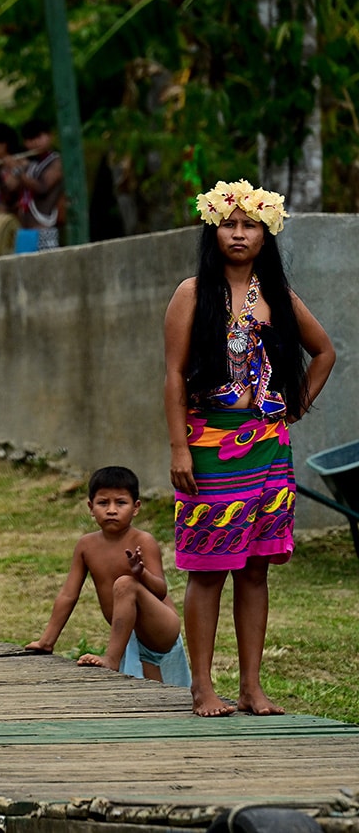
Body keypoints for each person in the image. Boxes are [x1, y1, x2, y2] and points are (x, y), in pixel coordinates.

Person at [165, 180, 334, 717]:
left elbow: (324, 351)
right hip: (210, 445)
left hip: (268, 449)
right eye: (229, 224)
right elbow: (172, 376)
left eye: (250, 225)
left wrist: (295, 403)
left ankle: (252, 686)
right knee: (209, 567)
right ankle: (202, 686)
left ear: (267, 234)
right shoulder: (192, 293)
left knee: (256, 568)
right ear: (213, 229)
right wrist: (179, 448)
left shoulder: (278, 297)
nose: (239, 233)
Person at [26, 466, 184, 682]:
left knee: (125, 584)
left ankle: (112, 659)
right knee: (152, 692)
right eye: (103, 503)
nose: (111, 510)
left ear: (136, 507)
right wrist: (47, 641)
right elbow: (68, 595)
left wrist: (141, 573)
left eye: (120, 503)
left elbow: (160, 590)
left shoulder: (143, 541)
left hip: (161, 627)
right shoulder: (86, 546)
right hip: (131, 635)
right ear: (91, 507)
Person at [3, 118, 64, 250]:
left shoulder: (56, 162)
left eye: (38, 137)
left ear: (50, 136)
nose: (34, 143)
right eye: (29, 140)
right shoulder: (29, 164)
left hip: (44, 229)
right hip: (24, 231)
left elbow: (42, 188)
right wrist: (12, 170)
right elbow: (11, 188)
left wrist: (17, 170)